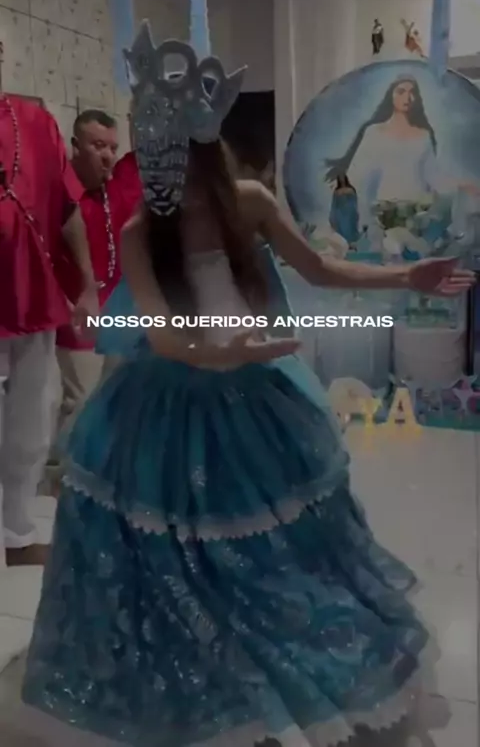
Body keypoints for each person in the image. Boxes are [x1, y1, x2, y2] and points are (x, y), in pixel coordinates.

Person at [21, 59, 474, 744]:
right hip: (166, 398)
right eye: (153, 151)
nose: (163, 166)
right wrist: (224, 353)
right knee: (172, 553)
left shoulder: (250, 202)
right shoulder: (144, 230)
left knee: (277, 550)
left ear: (206, 149)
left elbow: (319, 267)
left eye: (175, 150)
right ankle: (207, 689)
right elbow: (162, 333)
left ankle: (279, 673)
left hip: (254, 397)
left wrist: (409, 274)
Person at [0, 95, 98, 568]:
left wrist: (88, 286)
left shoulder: (36, 121)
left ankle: (17, 535)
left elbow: (67, 207)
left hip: (31, 292)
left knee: (34, 419)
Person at [54, 111, 142, 445]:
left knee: (118, 402)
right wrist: (66, 307)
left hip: (119, 316)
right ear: (76, 146)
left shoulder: (118, 186)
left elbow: (143, 154)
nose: (108, 156)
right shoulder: (58, 194)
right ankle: (59, 469)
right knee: (80, 404)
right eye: (98, 146)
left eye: (112, 148)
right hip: (78, 320)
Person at [325, 77, 452, 232]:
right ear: (390, 96)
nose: (407, 97)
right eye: (401, 92)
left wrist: (460, 188)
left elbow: (434, 177)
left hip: (418, 214)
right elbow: (359, 176)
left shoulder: (424, 135)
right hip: (383, 213)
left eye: (412, 92)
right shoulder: (374, 132)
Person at [328, 173, 359, 246]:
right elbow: (334, 204)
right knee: (341, 229)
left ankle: (351, 244)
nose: (341, 180)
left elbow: (355, 201)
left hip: (350, 213)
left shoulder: (351, 189)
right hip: (340, 214)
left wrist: (356, 211)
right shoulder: (337, 191)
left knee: (350, 229)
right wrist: (332, 216)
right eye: (340, 178)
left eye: (342, 177)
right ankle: (343, 244)